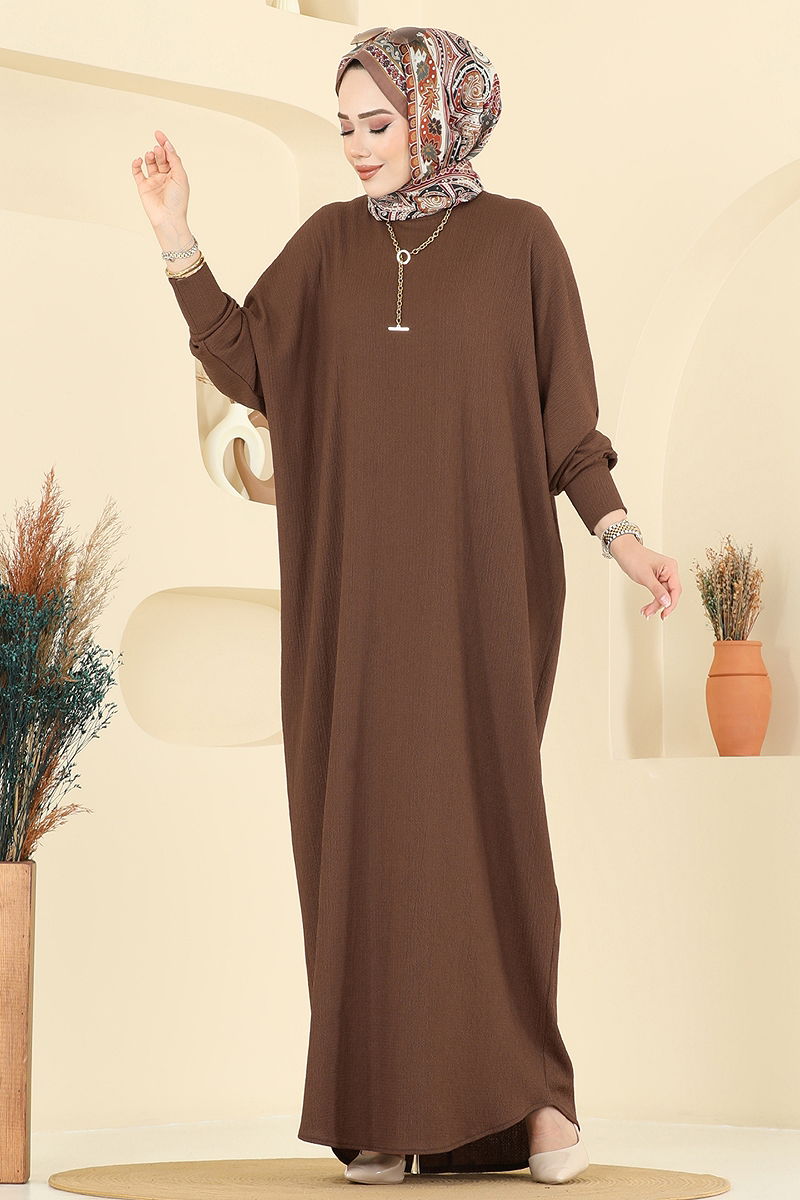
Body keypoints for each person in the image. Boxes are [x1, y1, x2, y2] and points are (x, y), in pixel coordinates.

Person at [132, 25, 681, 1186]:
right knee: (362, 838)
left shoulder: (520, 240)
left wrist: (620, 536)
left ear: (439, 114)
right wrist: (176, 234)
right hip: (353, 602)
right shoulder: (328, 246)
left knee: (489, 834)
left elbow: (568, 428)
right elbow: (245, 361)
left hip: (484, 596)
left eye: (375, 122)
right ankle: (376, 1106)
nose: (356, 146)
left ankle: (535, 1105)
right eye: (344, 126)